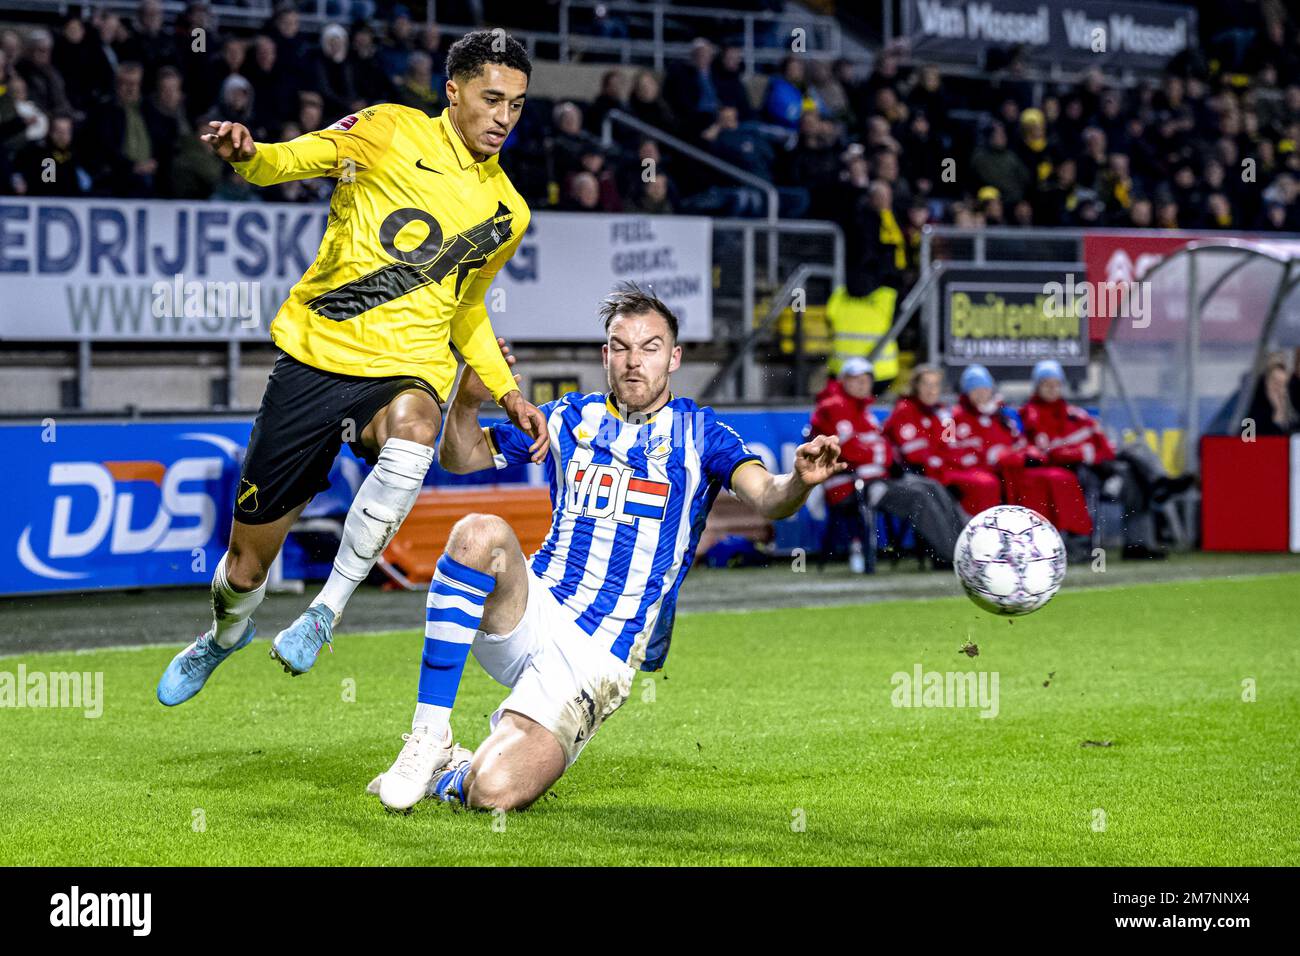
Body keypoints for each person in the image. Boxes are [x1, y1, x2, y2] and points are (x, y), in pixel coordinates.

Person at [155, 30, 550, 706]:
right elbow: (292, 158)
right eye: (492, 100)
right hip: (316, 362)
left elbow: (467, 310)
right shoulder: (386, 129)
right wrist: (250, 155)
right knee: (246, 568)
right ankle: (224, 635)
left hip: (407, 367)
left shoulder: (507, 211)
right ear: (451, 92)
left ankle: (324, 613)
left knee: (417, 429)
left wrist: (509, 392)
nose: (504, 118)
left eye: (516, 105)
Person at [369, 284, 846, 811]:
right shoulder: (567, 417)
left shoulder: (702, 434)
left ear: (674, 357)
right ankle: (428, 733)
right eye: (621, 347)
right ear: (605, 355)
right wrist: (467, 396)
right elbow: (460, 459)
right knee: (478, 534)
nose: (633, 362)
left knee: (494, 793)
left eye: (650, 347)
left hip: (600, 653)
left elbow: (770, 497)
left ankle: (454, 771)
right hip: (534, 610)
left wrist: (799, 479)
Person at [1020, 360, 1190, 560]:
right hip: (1074, 471)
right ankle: (1086, 544)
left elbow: (1104, 446)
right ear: (1037, 386)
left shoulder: (1075, 414)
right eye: (1046, 384)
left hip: (1099, 466)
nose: (1052, 389)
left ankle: (1138, 543)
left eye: (1056, 383)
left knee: (1134, 476)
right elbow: (1046, 452)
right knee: (1091, 478)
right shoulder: (1029, 415)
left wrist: (1090, 453)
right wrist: (1084, 453)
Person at [811, 357, 970, 568]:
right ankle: (953, 556)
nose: (862, 384)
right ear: (843, 381)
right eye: (855, 379)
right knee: (919, 495)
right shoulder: (832, 407)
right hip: (848, 484)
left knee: (933, 486)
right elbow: (848, 452)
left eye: (866, 379)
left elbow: (883, 448)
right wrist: (878, 453)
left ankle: (966, 547)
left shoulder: (864, 411)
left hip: (876, 480)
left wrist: (876, 452)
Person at [951, 365, 1092, 556]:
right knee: (1027, 483)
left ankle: (1071, 538)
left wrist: (1026, 454)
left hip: (1014, 468)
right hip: (992, 471)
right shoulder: (955, 418)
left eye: (984, 388)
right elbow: (960, 451)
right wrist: (1007, 456)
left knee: (1060, 477)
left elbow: (1019, 442)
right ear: (966, 392)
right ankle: (1016, 542)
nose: (981, 394)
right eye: (975, 389)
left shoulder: (1001, 415)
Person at [883, 364, 1002, 517]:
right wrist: (944, 460)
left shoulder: (944, 412)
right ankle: (969, 532)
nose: (931, 389)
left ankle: (983, 530)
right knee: (982, 483)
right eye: (926, 384)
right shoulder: (905, 410)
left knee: (988, 479)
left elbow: (952, 445)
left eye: (935, 384)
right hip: (920, 474)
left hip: (946, 468)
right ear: (916, 386)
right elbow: (915, 455)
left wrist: (962, 459)